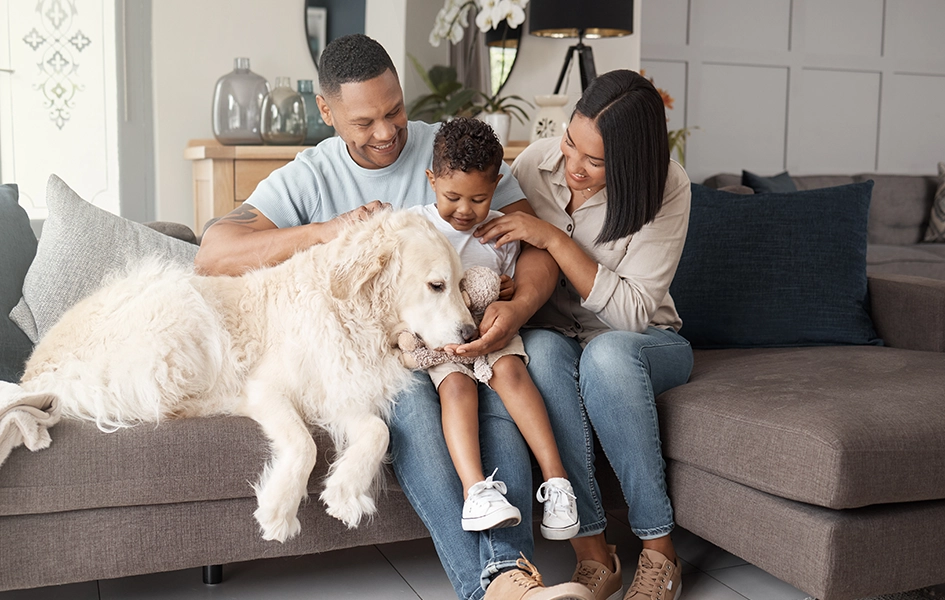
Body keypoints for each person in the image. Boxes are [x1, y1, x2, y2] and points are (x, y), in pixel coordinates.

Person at [195, 34, 591, 600]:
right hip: (380, 357)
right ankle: (496, 586)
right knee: (409, 406)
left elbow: (534, 245)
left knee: (495, 393)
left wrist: (516, 306)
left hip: (467, 336)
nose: (386, 133)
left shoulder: (451, 153)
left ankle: (512, 575)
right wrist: (327, 232)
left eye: (395, 111)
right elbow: (213, 254)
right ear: (326, 112)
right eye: (364, 122)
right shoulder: (310, 176)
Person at [473, 69, 693, 600]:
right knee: (540, 355)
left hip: (644, 344)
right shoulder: (532, 165)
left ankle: (660, 553)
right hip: (558, 335)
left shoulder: (667, 186)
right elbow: (491, 245)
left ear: (631, 162)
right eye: (571, 143)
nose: (573, 166)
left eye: (595, 162)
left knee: (608, 357)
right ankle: (594, 555)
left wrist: (551, 238)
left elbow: (634, 314)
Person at [408, 117, 579, 540]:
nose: (465, 210)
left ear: (497, 185)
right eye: (452, 197)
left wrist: (507, 288)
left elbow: (512, 281)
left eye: (479, 199)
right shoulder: (415, 227)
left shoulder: (501, 228)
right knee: (456, 388)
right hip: (445, 341)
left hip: (492, 332)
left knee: (513, 374)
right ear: (431, 181)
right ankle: (476, 491)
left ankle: (558, 483)